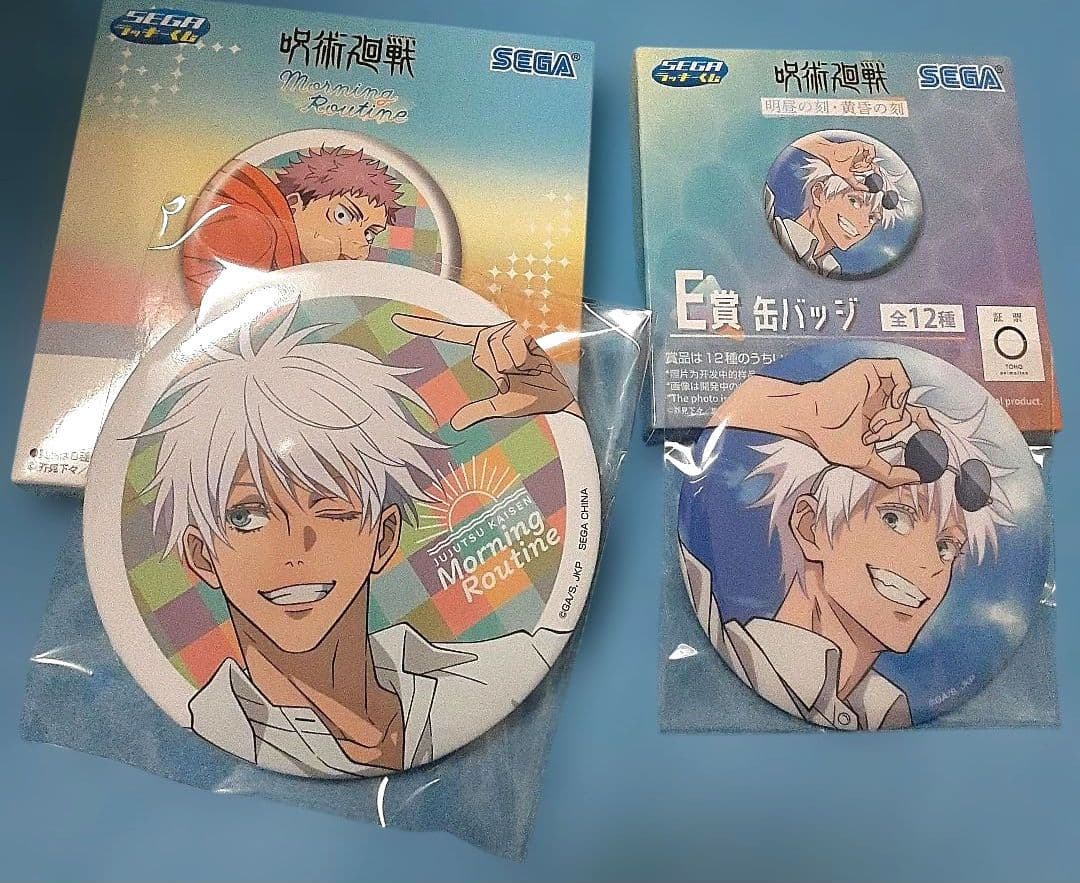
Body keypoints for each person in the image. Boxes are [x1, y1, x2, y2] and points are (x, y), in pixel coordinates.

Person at [134, 301, 578, 774]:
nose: (294, 546)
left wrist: (563, 410)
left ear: (383, 538)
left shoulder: (502, 670)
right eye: (247, 516)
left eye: (332, 509)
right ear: (201, 556)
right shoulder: (208, 738)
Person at [682, 359, 1011, 729]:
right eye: (895, 518)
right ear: (810, 528)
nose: (931, 565)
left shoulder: (890, 711)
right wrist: (806, 410)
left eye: (946, 546)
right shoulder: (720, 633)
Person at [181, 145, 404, 304]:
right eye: (342, 216)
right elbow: (213, 312)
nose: (357, 246)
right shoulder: (258, 233)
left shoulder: (287, 265)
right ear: (294, 205)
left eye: (369, 234)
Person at [764, 133, 910, 278]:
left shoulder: (831, 271)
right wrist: (829, 151)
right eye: (854, 201)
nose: (863, 222)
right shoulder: (771, 226)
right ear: (819, 194)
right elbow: (756, 144)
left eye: (872, 218)